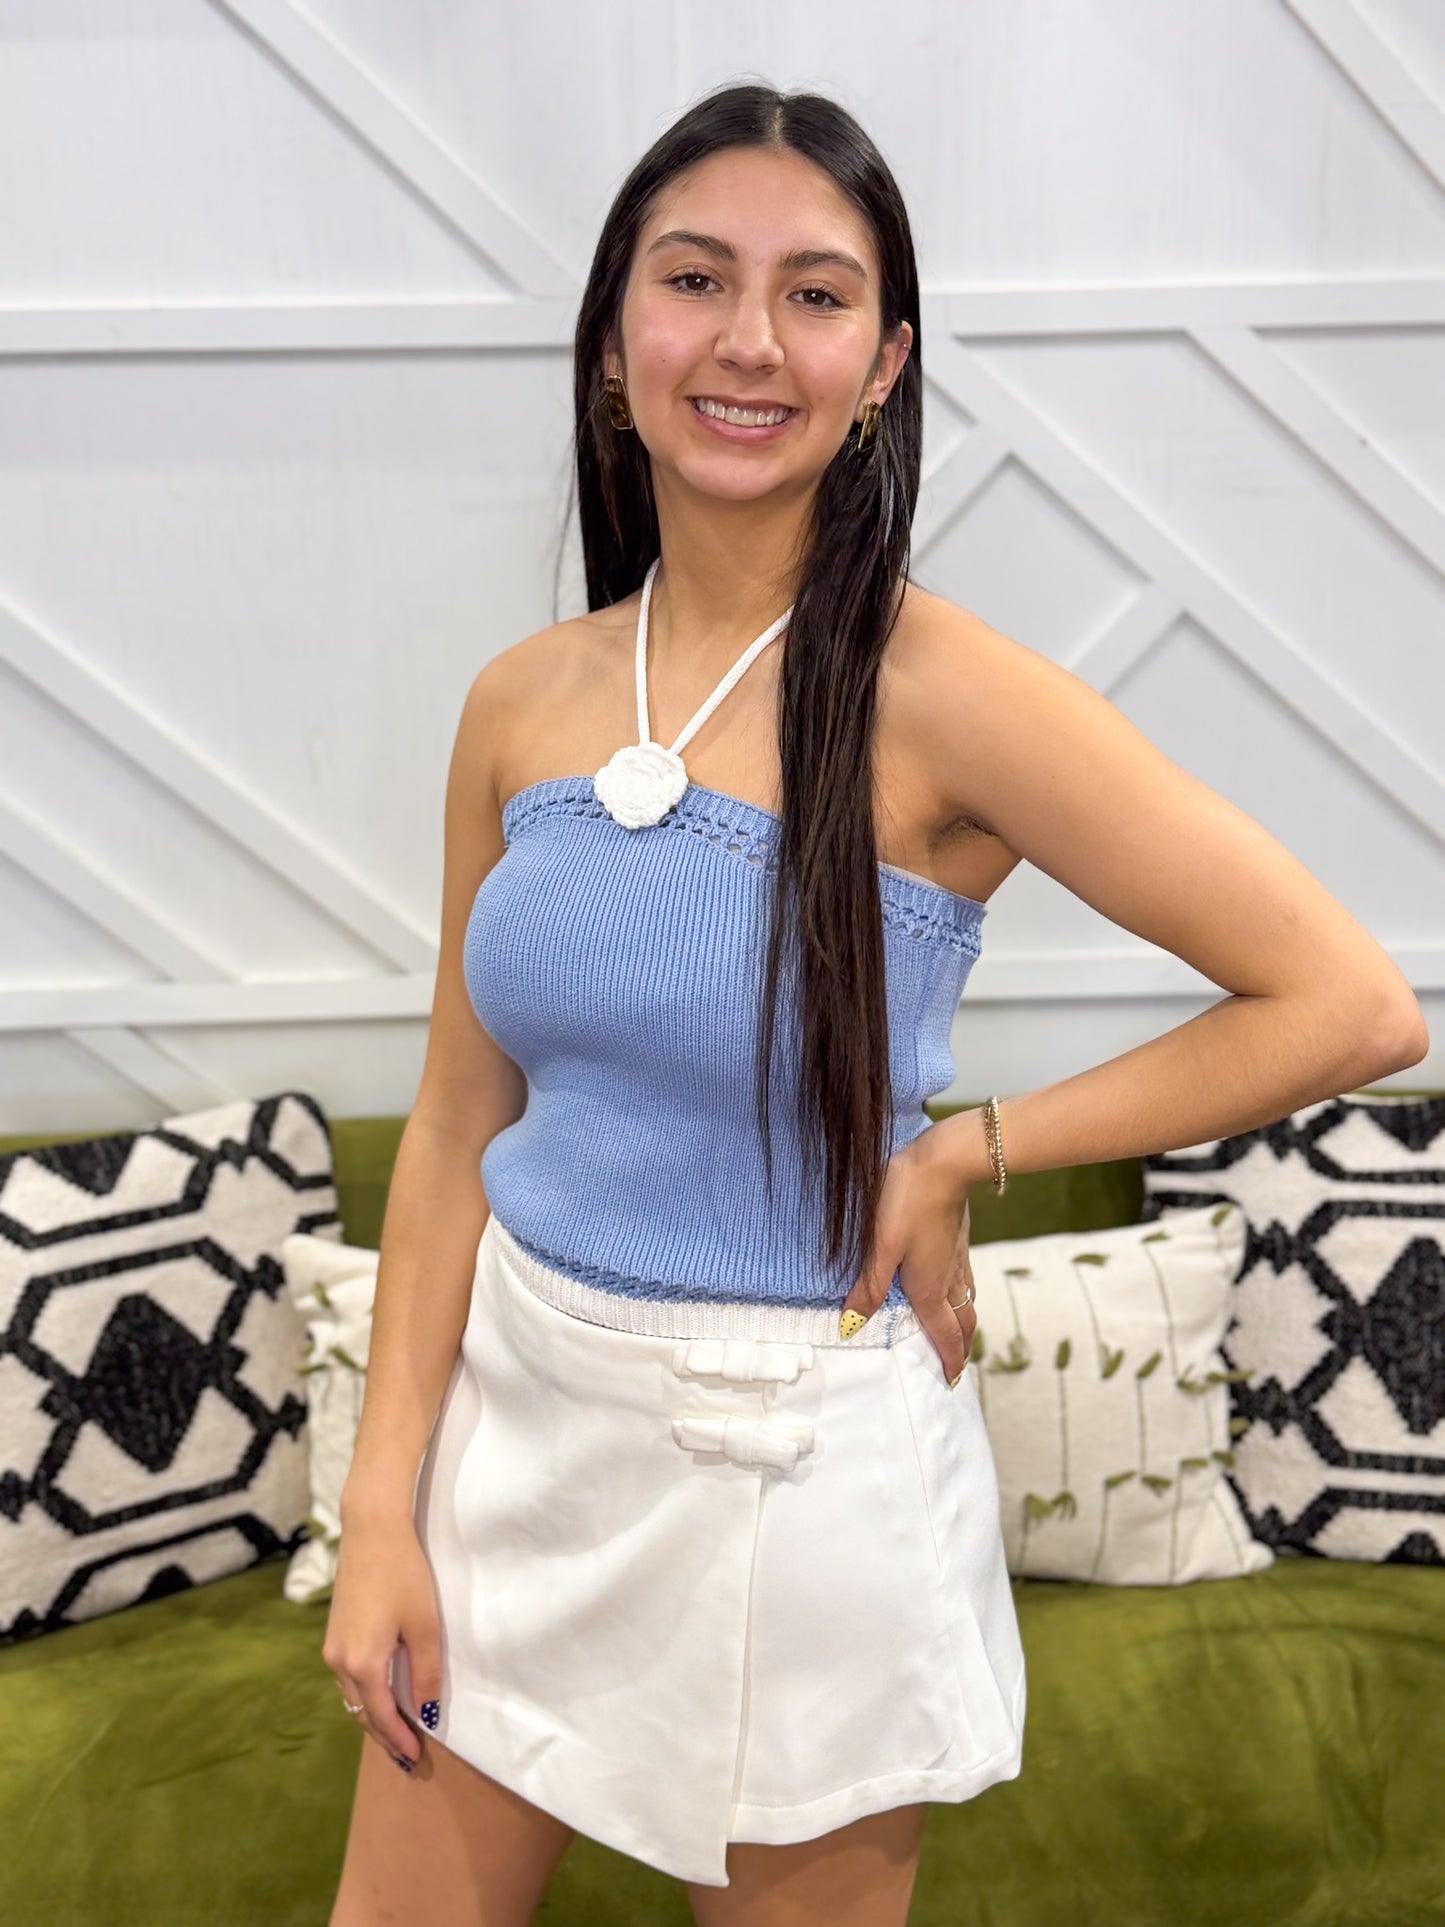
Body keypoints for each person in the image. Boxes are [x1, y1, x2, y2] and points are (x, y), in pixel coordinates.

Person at [322, 81, 1427, 1927]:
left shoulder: (948, 694)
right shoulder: (521, 698)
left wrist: (965, 1151)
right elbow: (455, 1123)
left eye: (816, 295)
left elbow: (1346, 1003)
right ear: (614, 336)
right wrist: (381, 1508)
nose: (749, 340)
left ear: (884, 362)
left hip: (795, 1483)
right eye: (695, 279)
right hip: (516, 1445)